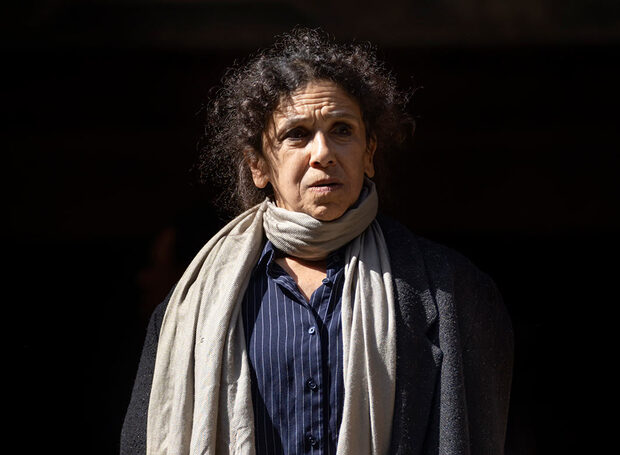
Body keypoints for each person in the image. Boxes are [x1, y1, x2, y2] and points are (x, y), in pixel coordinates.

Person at [121, 28, 513, 455]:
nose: (322, 151)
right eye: (297, 134)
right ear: (258, 166)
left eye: (342, 130)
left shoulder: (449, 292)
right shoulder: (190, 308)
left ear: (368, 153)